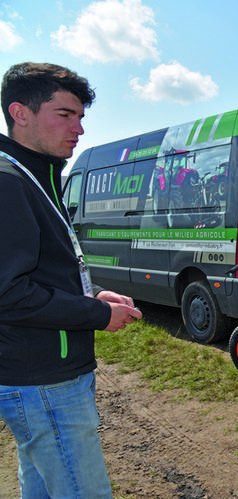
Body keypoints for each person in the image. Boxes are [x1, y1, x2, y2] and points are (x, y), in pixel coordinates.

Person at [0, 62, 142, 498]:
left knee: (42, 484)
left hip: (44, 374)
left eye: (81, 117)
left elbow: (41, 269)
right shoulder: (8, 182)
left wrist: (93, 292)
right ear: (20, 113)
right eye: (65, 115)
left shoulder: (37, 174)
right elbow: (8, 293)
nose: (78, 128)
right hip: (44, 378)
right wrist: (97, 314)